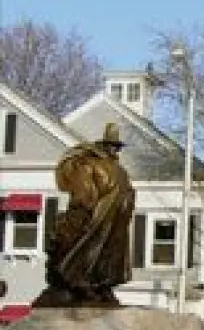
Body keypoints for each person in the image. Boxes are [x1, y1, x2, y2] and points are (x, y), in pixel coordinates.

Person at [33, 123, 136, 307]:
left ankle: (96, 284)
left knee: (103, 254)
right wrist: (81, 210)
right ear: (104, 146)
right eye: (112, 145)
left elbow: (124, 192)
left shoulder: (114, 169)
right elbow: (83, 194)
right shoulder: (94, 165)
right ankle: (86, 284)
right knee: (90, 251)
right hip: (103, 218)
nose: (113, 150)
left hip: (113, 220)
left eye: (116, 146)